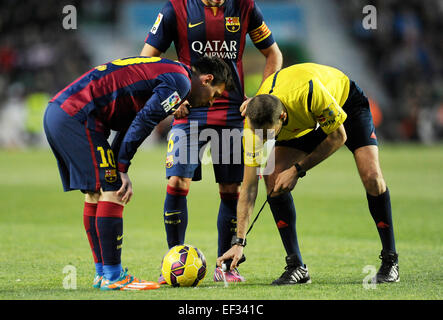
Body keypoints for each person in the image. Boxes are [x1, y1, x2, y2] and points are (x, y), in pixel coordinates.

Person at [43, 55, 232, 290]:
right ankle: (113, 276)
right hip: (78, 118)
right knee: (113, 189)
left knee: (95, 192)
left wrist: (118, 164)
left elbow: (133, 120)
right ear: (207, 79)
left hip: (61, 113)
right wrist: (120, 168)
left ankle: (103, 274)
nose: (211, 103)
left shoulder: (173, 73)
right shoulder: (180, 82)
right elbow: (144, 121)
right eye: (214, 95)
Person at [217, 62, 399, 285]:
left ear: (282, 117)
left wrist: (297, 170)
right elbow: (249, 186)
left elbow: (337, 138)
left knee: (372, 177)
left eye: (268, 135)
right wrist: (239, 241)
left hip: (345, 104)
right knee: (271, 177)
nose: (263, 141)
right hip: (304, 121)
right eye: (260, 136)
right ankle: (296, 266)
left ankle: (391, 260)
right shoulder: (253, 124)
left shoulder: (309, 93)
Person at [140, 0, 283, 283]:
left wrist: (262, 94)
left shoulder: (245, 7)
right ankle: (173, 260)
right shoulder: (175, 9)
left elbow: (273, 54)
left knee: (231, 188)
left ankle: (226, 267)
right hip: (189, 113)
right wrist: (170, 100)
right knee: (177, 182)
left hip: (231, 114)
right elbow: (146, 60)